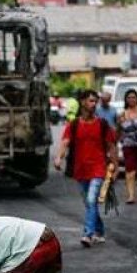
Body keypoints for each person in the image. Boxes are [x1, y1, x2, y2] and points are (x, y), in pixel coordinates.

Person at [53, 89, 118, 247]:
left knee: (91, 200)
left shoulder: (102, 124)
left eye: (95, 101)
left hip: (98, 168)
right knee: (89, 203)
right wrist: (58, 157)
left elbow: (111, 146)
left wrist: (115, 166)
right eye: (90, 101)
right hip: (80, 169)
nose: (93, 104)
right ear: (82, 102)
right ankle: (99, 230)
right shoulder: (74, 125)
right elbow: (65, 142)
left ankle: (87, 234)